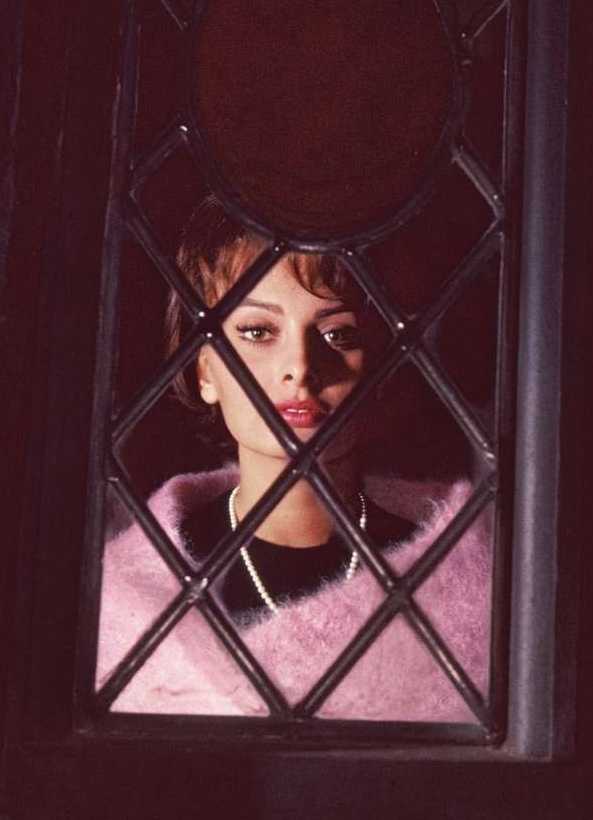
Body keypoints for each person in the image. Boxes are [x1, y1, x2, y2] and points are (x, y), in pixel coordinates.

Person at [95, 198, 491, 721]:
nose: (300, 367)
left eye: (338, 334)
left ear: (381, 368)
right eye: (258, 332)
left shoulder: (467, 583)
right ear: (205, 372)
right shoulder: (126, 596)